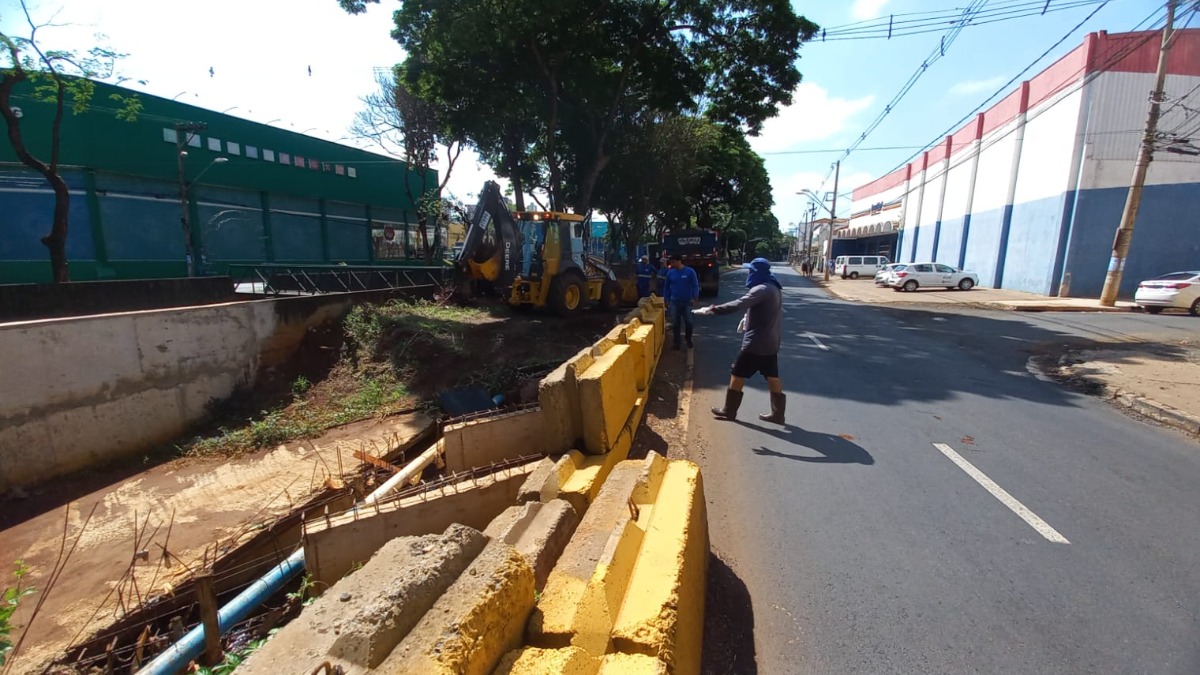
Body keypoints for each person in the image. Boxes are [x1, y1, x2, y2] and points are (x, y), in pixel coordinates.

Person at [694, 257, 785, 423]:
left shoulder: (761, 289)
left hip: (755, 342)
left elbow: (739, 303)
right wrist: (747, 317)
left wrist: (712, 309)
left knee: (737, 373)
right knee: (772, 376)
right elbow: (763, 309)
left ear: (757, 272)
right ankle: (778, 414)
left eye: (751, 271)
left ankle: (729, 411)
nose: (749, 273)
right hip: (771, 341)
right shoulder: (774, 287)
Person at [662, 254, 700, 350]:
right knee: (675, 323)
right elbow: (666, 287)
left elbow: (695, 285)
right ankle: (677, 343)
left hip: (687, 301)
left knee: (689, 322)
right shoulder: (670, 273)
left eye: (673, 262)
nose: (672, 264)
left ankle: (688, 339)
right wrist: (666, 299)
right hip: (675, 302)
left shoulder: (689, 272)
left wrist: (695, 297)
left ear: (679, 261)